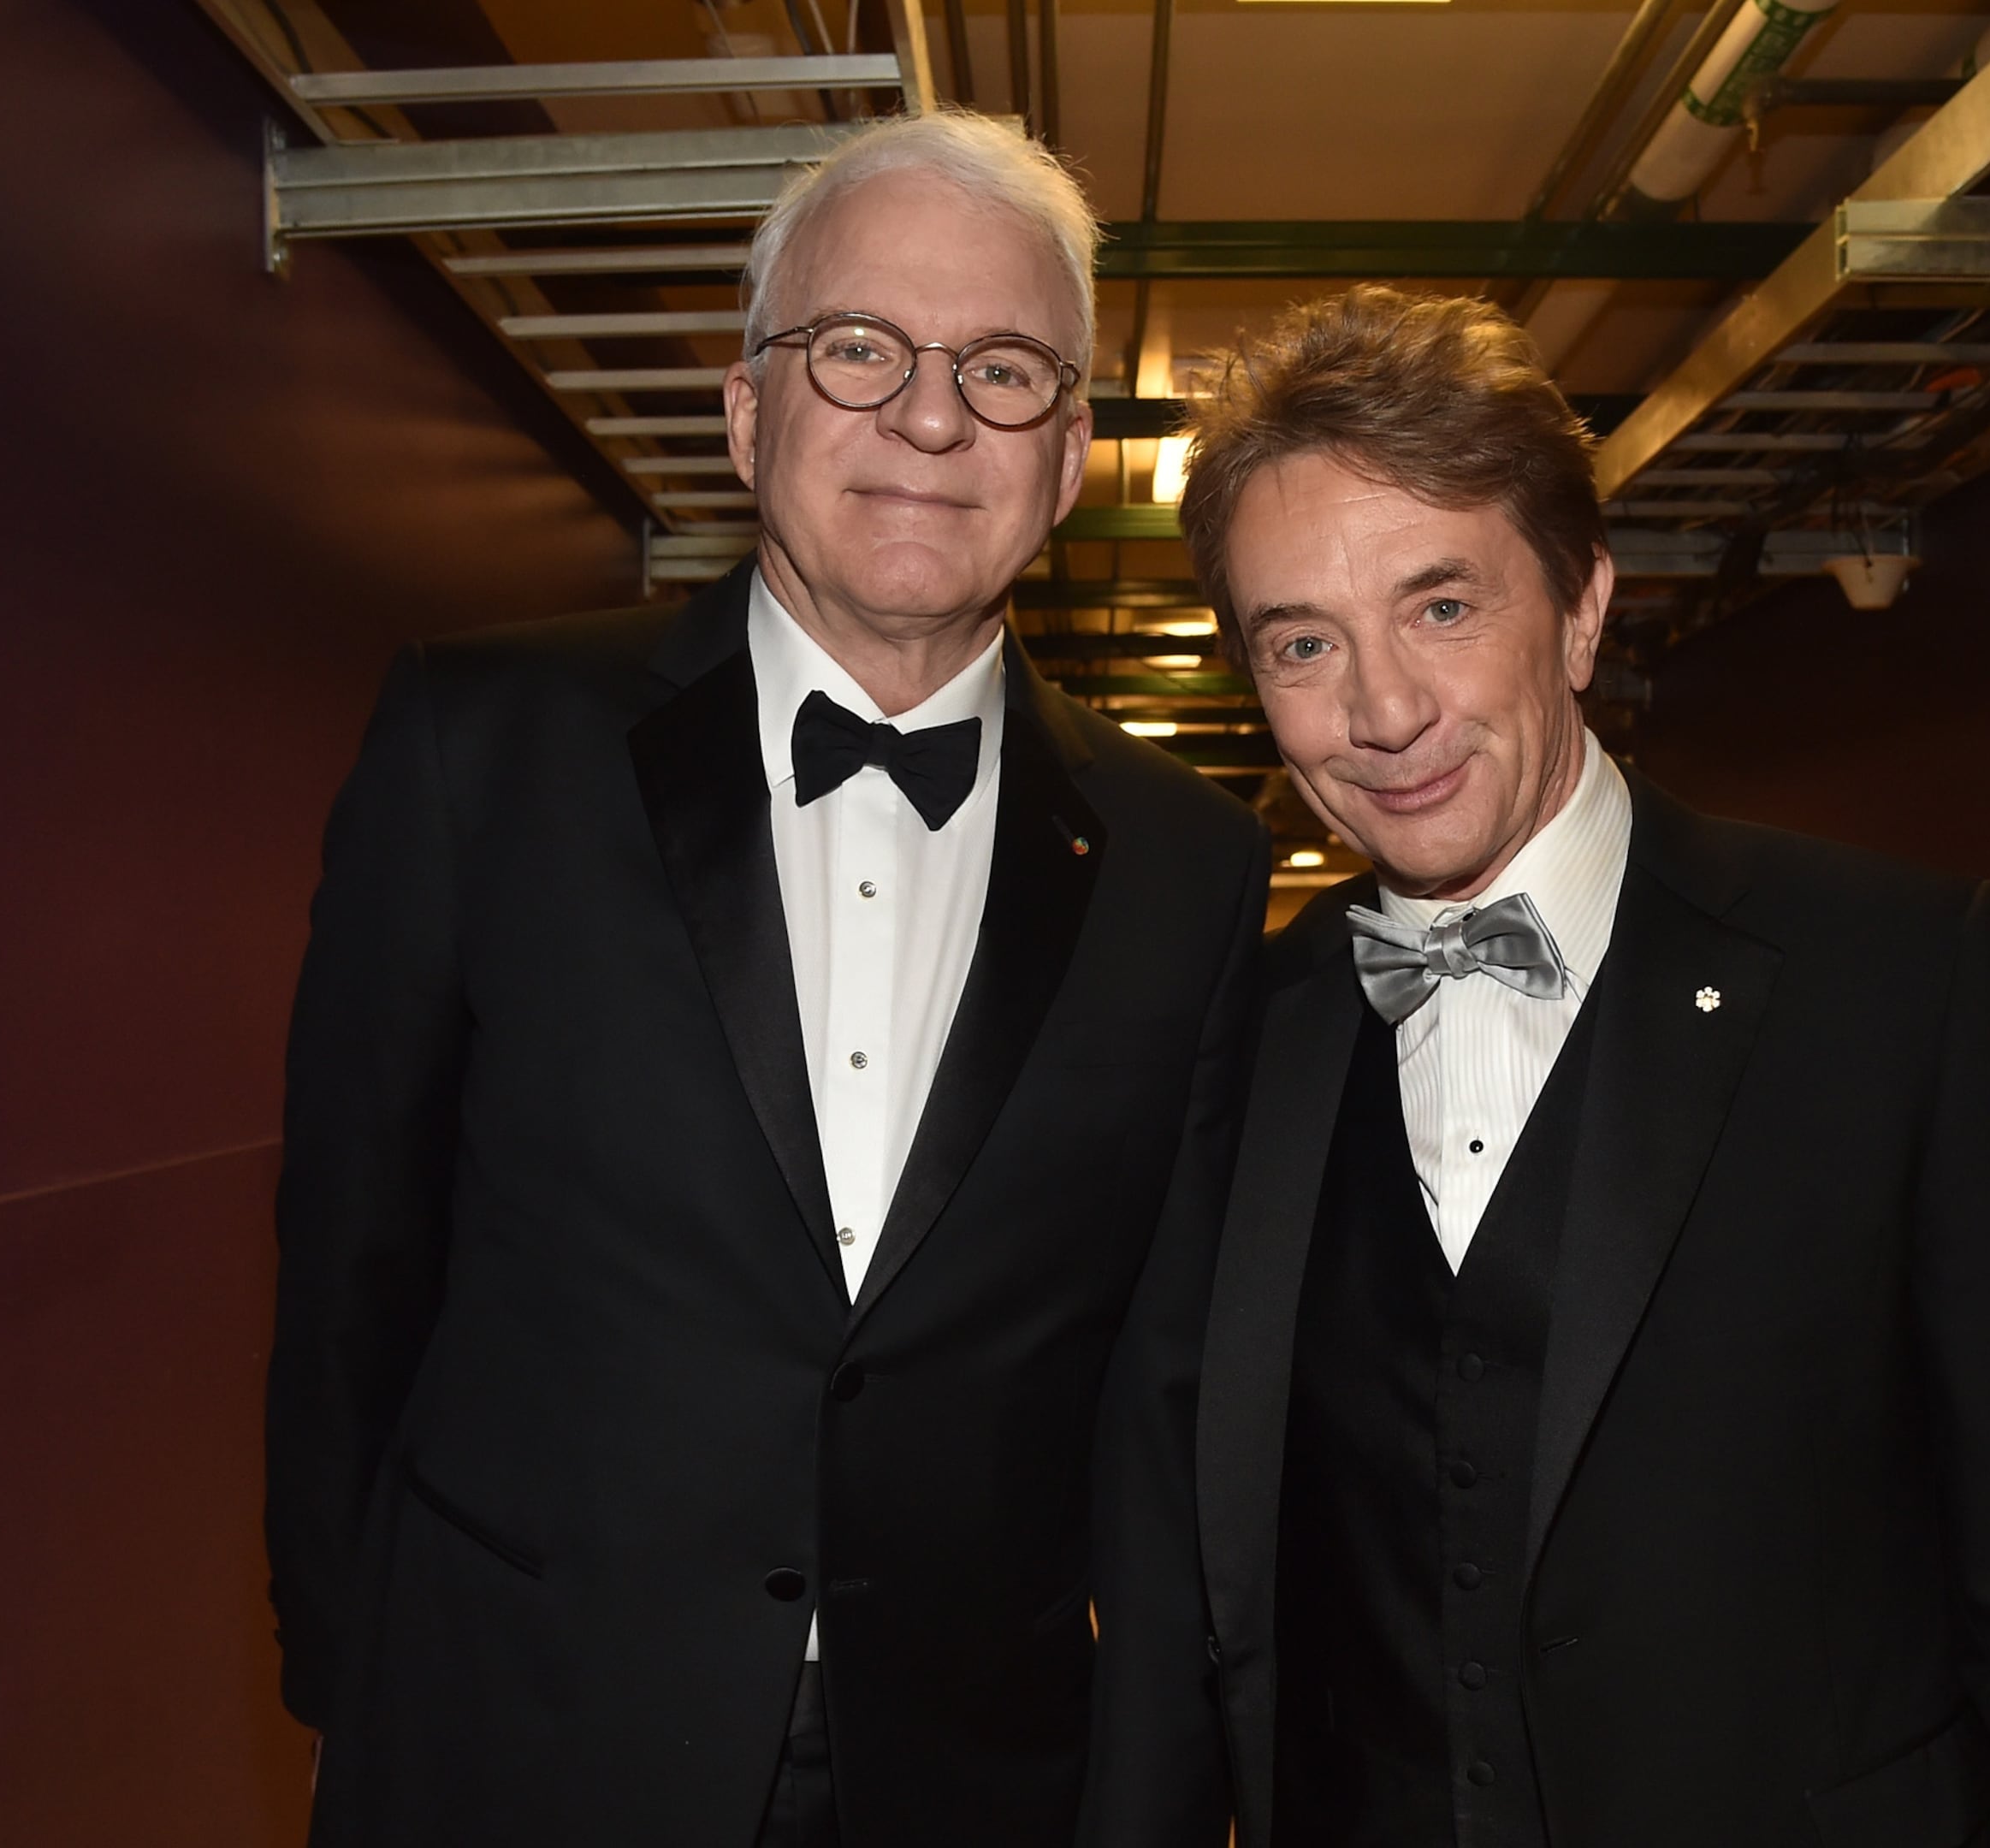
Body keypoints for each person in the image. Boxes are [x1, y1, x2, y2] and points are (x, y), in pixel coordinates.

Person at [266, 112, 1261, 1848]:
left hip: (975, 1780)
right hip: (517, 1740)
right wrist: (368, 1695)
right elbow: (353, 1272)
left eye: (1006, 369)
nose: (933, 419)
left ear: (1073, 450)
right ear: (747, 410)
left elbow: (1157, 1407)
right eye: (859, 347)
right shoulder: (476, 746)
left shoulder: (1191, 866)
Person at [1177, 286, 1990, 1848]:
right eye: (1303, 643)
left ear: (1584, 608)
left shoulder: (1901, 982)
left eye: (1443, 607)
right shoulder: (1251, 1027)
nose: (1381, 712)